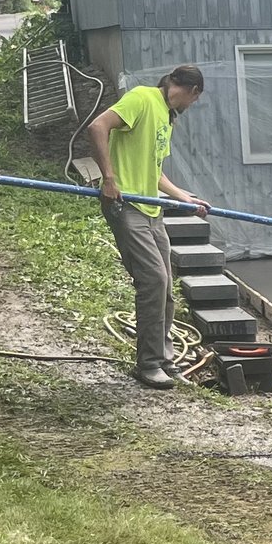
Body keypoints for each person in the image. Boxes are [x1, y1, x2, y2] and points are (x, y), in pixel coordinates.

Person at [85, 65, 210, 389]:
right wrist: (109, 178)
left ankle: (165, 361)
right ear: (192, 90)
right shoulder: (142, 98)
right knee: (153, 279)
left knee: (166, 286)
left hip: (150, 209)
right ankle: (148, 364)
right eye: (194, 100)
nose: (191, 106)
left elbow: (154, 171)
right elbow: (98, 127)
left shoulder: (167, 118)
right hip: (125, 205)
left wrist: (186, 199)